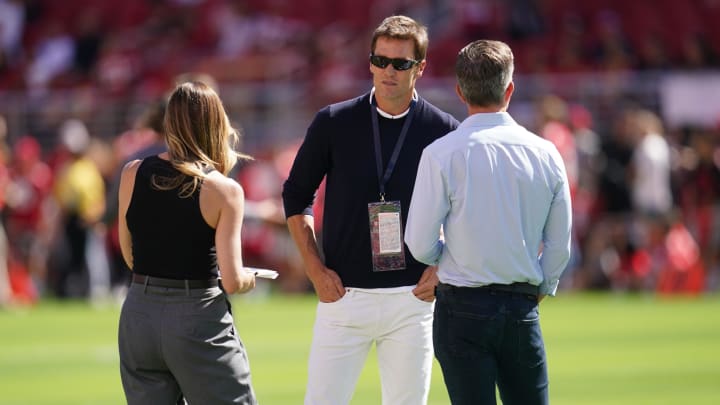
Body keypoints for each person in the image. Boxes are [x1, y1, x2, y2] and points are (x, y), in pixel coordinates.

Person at [282, 15, 459, 405]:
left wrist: (444, 266)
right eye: (380, 60)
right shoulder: (332, 122)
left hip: (412, 298)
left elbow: (465, 210)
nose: (388, 71)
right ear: (369, 62)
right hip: (343, 295)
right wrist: (314, 269)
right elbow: (296, 195)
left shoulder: (444, 130)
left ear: (421, 68)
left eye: (400, 63)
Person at [405, 39, 573, 405]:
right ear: (510, 89)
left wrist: (449, 256)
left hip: (461, 305)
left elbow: (418, 243)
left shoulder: (440, 153)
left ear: (459, 91)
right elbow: (559, 244)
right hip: (520, 304)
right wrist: (542, 285)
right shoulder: (546, 153)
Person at [117, 81, 258, 404]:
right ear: (216, 123)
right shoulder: (224, 190)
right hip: (196, 314)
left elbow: (131, 256)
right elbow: (234, 280)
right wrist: (251, 278)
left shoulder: (132, 172)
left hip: (139, 311)